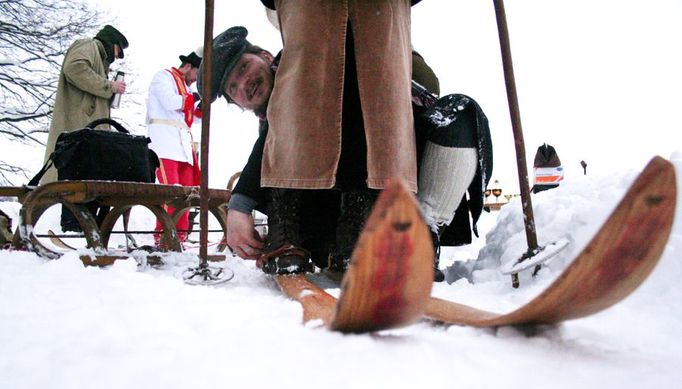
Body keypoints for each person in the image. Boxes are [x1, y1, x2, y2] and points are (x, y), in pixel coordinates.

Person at [201, 25, 492, 281]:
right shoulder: (270, 137)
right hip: (337, 221)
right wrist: (241, 203)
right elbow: (276, 130)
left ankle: (420, 235)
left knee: (460, 111)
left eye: (242, 68)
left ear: (266, 56)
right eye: (233, 88)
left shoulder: (316, 61)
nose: (244, 84)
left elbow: (427, 84)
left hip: (398, 173)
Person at [40, 24, 129, 231]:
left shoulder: (98, 58)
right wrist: (110, 86)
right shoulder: (88, 45)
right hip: (78, 130)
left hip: (89, 135)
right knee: (75, 178)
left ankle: (85, 228)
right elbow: (74, 68)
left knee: (89, 179)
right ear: (111, 43)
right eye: (117, 50)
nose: (116, 56)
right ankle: (74, 226)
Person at [146, 48, 203, 245]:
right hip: (164, 143)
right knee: (169, 193)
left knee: (186, 194)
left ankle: (180, 237)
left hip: (183, 146)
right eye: (196, 74)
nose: (195, 80)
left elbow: (191, 118)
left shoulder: (186, 88)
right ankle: (163, 237)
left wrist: (200, 107)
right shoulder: (163, 77)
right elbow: (170, 103)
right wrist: (193, 99)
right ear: (188, 67)